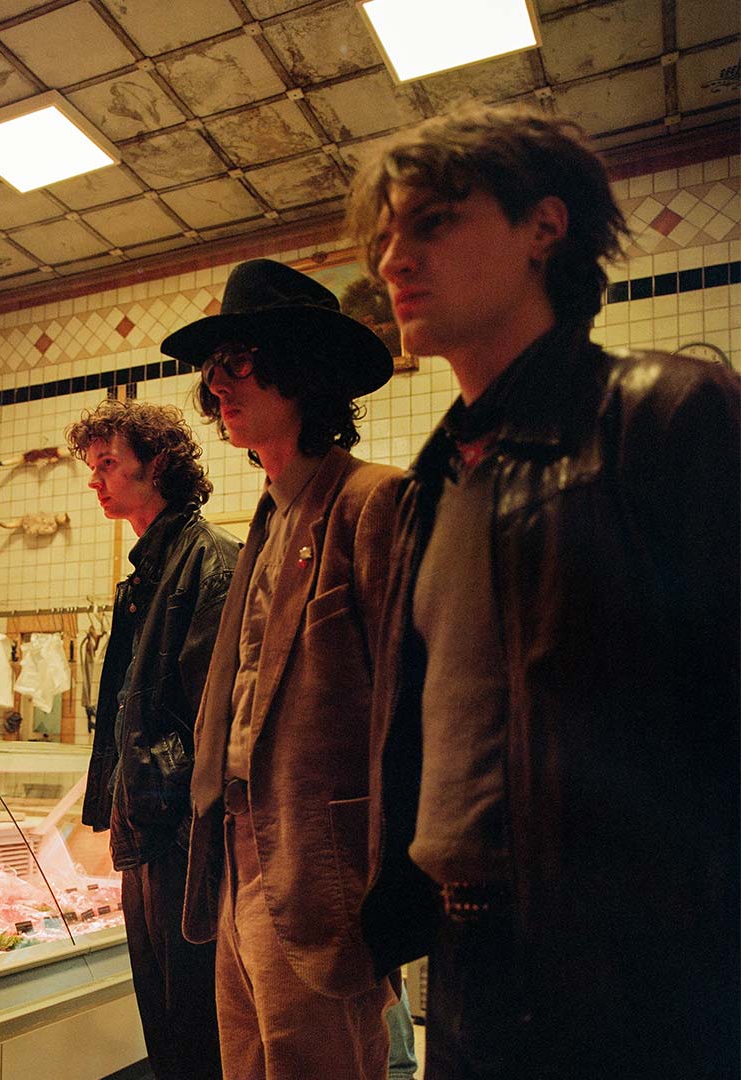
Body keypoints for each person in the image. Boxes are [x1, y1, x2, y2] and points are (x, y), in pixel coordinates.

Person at [347, 104, 740, 1079]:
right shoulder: (431, 485)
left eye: (433, 221)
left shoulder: (667, 414)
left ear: (544, 227)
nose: (393, 260)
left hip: (635, 977)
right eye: (385, 236)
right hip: (465, 962)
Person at [162, 258, 401, 1079]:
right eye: (212, 368)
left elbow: (411, 712)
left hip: (320, 872)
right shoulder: (265, 519)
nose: (216, 384)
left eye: (238, 362)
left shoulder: (373, 501)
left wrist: (393, 891)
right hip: (234, 859)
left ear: (303, 369)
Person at [67, 398, 239, 1080]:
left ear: (159, 463)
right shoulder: (144, 575)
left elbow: (213, 720)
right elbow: (126, 714)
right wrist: (113, 806)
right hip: (147, 832)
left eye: (108, 463)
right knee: (165, 1028)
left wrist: (159, 805)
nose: (96, 479)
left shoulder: (212, 563)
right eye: (92, 466)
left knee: (196, 1030)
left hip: (185, 839)